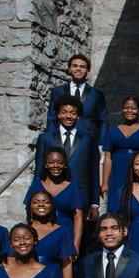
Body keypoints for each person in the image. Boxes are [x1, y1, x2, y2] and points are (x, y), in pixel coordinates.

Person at [36, 95, 101, 236]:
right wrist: (34, 198)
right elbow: (39, 171)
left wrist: (94, 203)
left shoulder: (88, 139)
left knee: (79, 241)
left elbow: (93, 171)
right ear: (58, 114)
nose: (68, 116)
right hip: (52, 197)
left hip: (81, 198)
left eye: (72, 113)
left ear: (78, 116)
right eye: (64, 112)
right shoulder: (45, 138)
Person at [101, 96, 139, 213]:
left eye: (133, 108)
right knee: (115, 207)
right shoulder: (113, 131)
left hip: (137, 173)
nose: (130, 111)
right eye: (126, 108)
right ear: (122, 109)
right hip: (117, 174)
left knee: (134, 206)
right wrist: (105, 182)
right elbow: (107, 158)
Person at [27, 147, 86, 252]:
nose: (56, 166)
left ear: (65, 165)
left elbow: (78, 217)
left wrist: (76, 244)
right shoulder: (36, 185)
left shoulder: (72, 188)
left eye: (60, 162)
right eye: (51, 162)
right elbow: (28, 213)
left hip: (65, 233)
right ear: (45, 165)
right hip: (40, 233)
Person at [46, 54, 109, 144]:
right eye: (75, 66)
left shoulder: (96, 94)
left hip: (88, 141)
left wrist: (101, 144)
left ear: (87, 70)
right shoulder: (58, 91)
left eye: (82, 67)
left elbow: (103, 121)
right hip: (62, 140)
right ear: (70, 69)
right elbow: (52, 118)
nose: (78, 69)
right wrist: (51, 140)